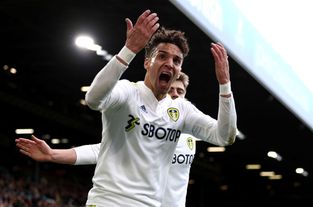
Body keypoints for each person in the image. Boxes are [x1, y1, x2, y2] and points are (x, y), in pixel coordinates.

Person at [18, 9, 237, 207]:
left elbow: (225, 136)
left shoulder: (182, 112)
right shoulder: (127, 93)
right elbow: (93, 99)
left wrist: (224, 84)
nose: (170, 63)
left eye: (177, 60)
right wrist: (129, 49)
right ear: (146, 62)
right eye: (162, 56)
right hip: (109, 201)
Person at [16, 72, 197, 207]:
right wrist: (54, 155)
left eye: (180, 91)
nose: (174, 94)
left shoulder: (193, 129)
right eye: (171, 89)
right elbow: (102, 149)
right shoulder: (146, 125)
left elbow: (224, 133)